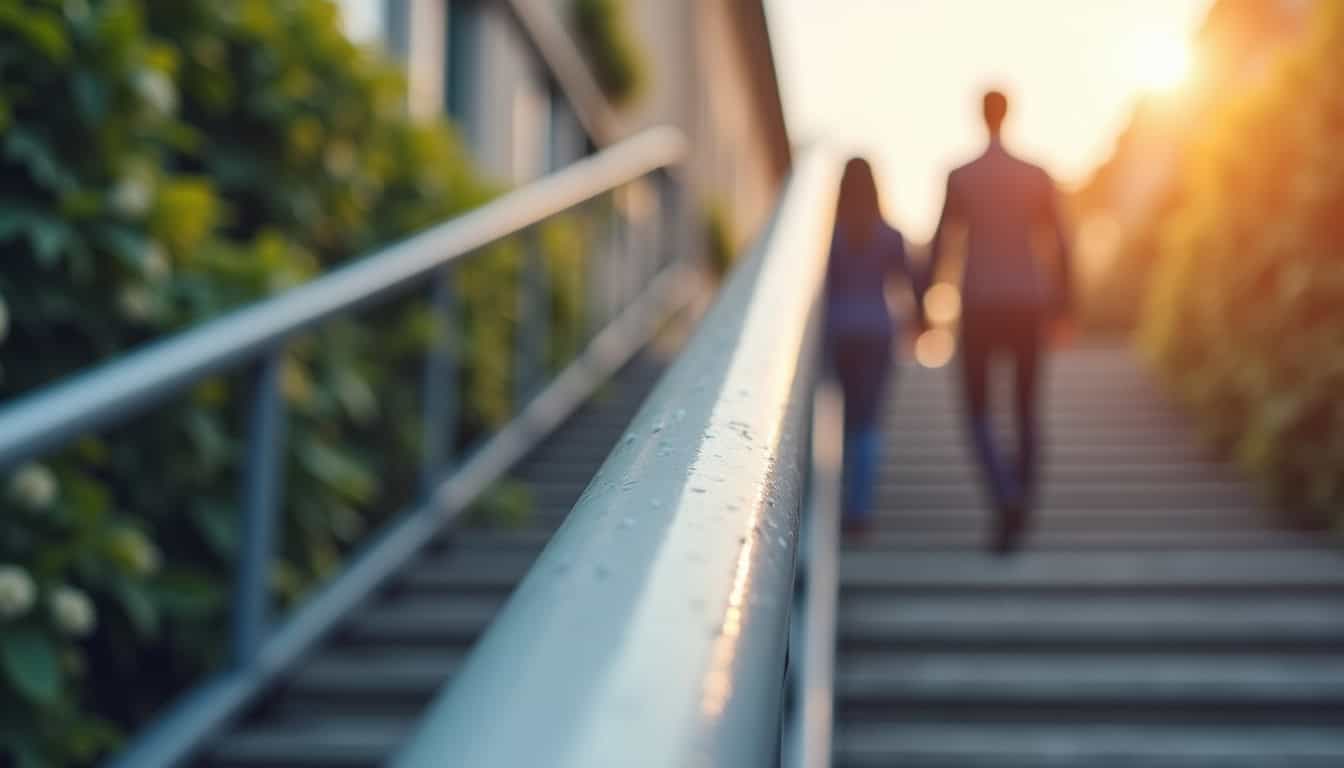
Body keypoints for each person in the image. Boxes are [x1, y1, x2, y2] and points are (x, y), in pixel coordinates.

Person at [926, 90, 1075, 554]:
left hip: (981, 301)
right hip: (1028, 301)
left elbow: (942, 243)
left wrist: (919, 306)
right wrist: (1066, 306)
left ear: (980, 115)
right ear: (1009, 114)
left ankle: (1005, 493)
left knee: (977, 411)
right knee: (1027, 409)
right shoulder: (1036, 175)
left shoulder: (961, 176)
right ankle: (1020, 500)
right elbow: (1061, 242)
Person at [825, 158, 925, 540]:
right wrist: (919, 323)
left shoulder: (830, 236)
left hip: (841, 331)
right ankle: (859, 507)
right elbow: (910, 283)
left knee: (848, 418)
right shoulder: (890, 235)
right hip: (879, 331)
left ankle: (842, 496)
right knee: (869, 421)